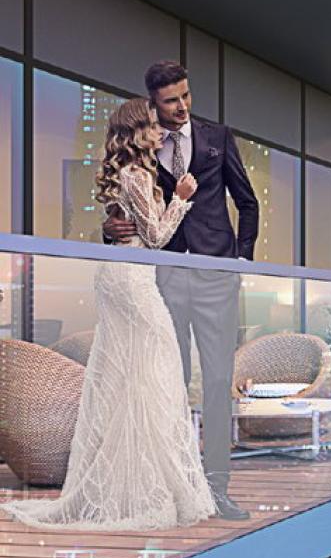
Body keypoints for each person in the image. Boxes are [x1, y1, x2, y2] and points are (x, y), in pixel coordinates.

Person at [2, 99, 218, 529]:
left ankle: (141, 481)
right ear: (139, 130)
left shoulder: (134, 173)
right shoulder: (136, 174)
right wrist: (181, 199)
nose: (161, 132)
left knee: (135, 377)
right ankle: (146, 485)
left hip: (123, 276)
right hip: (130, 280)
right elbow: (156, 236)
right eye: (155, 125)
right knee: (155, 371)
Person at [100, 61, 258, 521]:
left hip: (215, 278)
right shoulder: (143, 148)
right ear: (154, 102)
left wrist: (239, 260)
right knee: (168, 384)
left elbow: (247, 203)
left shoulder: (218, 137)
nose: (182, 107)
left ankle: (218, 489)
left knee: (215, 383)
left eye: (186, 96)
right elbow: (125, 208)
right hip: (162, 279)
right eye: (171, 100)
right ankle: (178, 486)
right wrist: (111, 230)